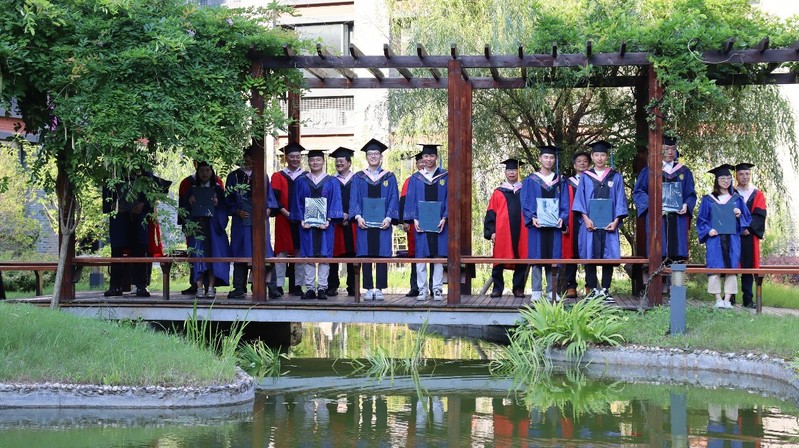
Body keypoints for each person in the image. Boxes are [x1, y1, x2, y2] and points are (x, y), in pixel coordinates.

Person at [632, 136, 697, 291]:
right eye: (666, 149)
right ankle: (657, 291)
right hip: (657, 219)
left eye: (673, 149)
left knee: (677, 255)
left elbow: (691, 194)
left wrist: (686, 205)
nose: (670, 152)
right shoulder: (650, 171)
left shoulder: (684, 172)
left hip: (678, 220)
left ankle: (677, 291)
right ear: (659, 150)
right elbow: (638, 192)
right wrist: (652, 204)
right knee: (657, 251)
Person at [572, 140, 628, 303]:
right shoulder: (585, 177)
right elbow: (580, 200)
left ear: (607, 156)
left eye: (602, 155)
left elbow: (620, 200)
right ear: (592, 156)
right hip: (590, 225)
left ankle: (605, 290)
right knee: (589, 255)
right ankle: (593, 290)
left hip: (610, 224)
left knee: (608, 256)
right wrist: (586, 219)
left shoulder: (615, 176)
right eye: (596, 155)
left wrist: (616, 221)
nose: (599, 158)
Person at [225, 146, 279, 299]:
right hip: (241, 220)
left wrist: (268, 209)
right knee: (240, 250)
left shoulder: (262, 175)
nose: (252, 161)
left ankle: (271, 287)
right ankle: (238, 287)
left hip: (260, 220)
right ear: (245, 157)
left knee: (265, 251)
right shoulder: (233, 176)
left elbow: (269, 197)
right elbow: (228, 200)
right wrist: (237, 211)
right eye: (250, 157)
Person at [349, 138, 400, 300]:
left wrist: (389, 218)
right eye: (370, 154)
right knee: (366, 254)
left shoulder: (389, 177)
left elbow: (394, 198)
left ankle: (379, 288)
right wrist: (357, 216)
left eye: (376, 154)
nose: (373, 156)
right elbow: (354, 199)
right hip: (364, 223)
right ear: (366, 157)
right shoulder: (358, 177)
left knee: (382, 254)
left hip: (383, 223)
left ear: (381, 157)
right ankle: (368, 288)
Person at [290, 149, 344, 300]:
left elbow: (335, 201)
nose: (315, 163)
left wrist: (328, 220)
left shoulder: (332, 181)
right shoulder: (301, 181)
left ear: (323, 161)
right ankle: (310, 288)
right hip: (307, 227)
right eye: (312, 160)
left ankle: (322, 288)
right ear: (308, 162)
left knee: (324, 257)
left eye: (318, 160)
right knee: (308, 257)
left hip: (325, 227)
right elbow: (297, 202)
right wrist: (302, 220)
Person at [696, 164, 751, 309]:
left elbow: (746, 218)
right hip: (714, 239)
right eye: (722, 178)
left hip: (732, 239)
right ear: (717, 180)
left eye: (728, 178)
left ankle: (727, 299)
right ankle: (718, 299)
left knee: (732, 267)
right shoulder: (708, 199)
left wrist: (739, 215)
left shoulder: (737, 199)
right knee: (714, 266)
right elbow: (702, 220)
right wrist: (708, 230)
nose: (726, 181)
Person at [522, 146, 569, 302]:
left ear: (554, 160)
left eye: (551, 157)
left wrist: (563, 217)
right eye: (546, 157)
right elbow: (525, 201)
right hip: (537, 225)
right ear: (540, 159)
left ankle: (551, 290)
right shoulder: (530, 180)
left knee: (553, 256)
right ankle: (536, 291)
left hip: (554, 226)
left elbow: (565, 202)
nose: (549, 160)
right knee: (536, 256)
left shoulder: (560, 181)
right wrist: (532, 217)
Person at [403, 143, 448, 301]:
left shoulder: (445, 176)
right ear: (422, 158)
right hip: (421, 223)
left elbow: (449, 198)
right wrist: (414, 219)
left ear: (436, 157)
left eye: (432, 156)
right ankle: (422, 289)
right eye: (426, 156)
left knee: (438, 256)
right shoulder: (416, 178)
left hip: (439, 223)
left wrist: (444, 217)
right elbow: (411, 199)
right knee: (421, 256)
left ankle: (437, 289)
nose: (429, 159)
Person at [180, 161, 230, 298]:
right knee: (198, 257)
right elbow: (184, 211)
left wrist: (217, 203)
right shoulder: (191, 190)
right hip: (197, 227)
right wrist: (189, 203)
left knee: (213, 256)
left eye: (207, 170)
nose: (204, 173)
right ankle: (199, 288)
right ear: (197, 172)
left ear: (212, 172)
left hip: (213, 228)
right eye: (202, 170)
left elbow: (224, 210)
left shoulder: (218, 190)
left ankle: (211, 287)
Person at [102, 169, 152, 297]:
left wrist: (143, 204)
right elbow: (107, 194)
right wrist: (112, 205)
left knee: (140, 250)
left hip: (138, 215)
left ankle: (141, 286)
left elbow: (151, 192)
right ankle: (115, 286)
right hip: (119, 215)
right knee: (117, 250)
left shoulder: (144, 170)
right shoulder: (114, 169)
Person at [484, 158, 528, 298]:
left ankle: (518, 288)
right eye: (509, 170)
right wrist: (492, 232)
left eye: (514, 170)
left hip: (522, 231)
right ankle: (497, 288)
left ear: (518, 172)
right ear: (505, 172)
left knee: (521, 258)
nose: (511, 173)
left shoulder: (524, 190)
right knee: (499, 259)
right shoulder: (498, 192)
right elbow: (491, 212)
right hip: (503, 232)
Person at [272, 142, 307, 297]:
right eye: (292, 156)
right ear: (286, 158)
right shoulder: (278, 176)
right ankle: (279, 285)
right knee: (282, 252)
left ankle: (298, 285)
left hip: (302, 221)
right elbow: (274, 198)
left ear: (301, 158)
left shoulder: (306, 176)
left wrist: (300, 216)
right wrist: (287, 213)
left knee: (300, 253)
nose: (295, 159)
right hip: (283, 218)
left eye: (297, 157)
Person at [735, 162, 767, 309]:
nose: (745, 177)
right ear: (736, 175)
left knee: (748, 266)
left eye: (747, 174)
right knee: (732, 265)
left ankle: (748, 299)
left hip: (750, 235)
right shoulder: (730, 192)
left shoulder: (757, 194)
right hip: (733, 234)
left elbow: (760, 215)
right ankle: (730, 297)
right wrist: (739, 228)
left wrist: (748, 228)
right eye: (741, 174)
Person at [328, 147, 357, 297]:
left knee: (352, 253)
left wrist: (350, 215)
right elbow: (328, 201)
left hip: (353, 222)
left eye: (342, 161)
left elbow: (359, 200)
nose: (339, 163)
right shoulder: (330, 181)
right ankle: (332, 285)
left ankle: (353, 286)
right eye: (337, 161)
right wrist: (339, 215)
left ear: (349, 163)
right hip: (335, 223)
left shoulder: (357, 179)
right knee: (334, 254)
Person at [562, 151, 590, 299]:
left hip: (588, 220)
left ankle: (590, 285)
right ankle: (571, 286)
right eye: (579, 161)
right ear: (574, 165)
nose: (582, 163)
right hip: (572, 220)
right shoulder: (567, 183)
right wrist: (564, 221)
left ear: (589, 164)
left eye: (585, 161)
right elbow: (564, 203)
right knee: (570, 253)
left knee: (588, 251)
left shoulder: (594, 181)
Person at [399, 152, 426, 298]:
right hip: (414, 224)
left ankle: (433, 288)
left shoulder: (437, 179)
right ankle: (415, 287)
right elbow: (403, 201)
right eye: (420, 162)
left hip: (432, 224)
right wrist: (405, 221)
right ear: (416, 164)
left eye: (425, 161)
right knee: (415, 255)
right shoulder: (410, 181)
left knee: (433, 254)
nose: (423, 164)